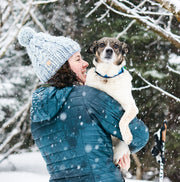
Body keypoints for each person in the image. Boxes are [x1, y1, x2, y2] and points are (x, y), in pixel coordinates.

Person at [18, 27, 149, 182]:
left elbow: (76, 160)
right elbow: (139, 135)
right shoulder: (89, 97)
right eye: (78, 59)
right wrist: (120, 152)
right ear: (62, 67)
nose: (86, 63)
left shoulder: (37, 111)